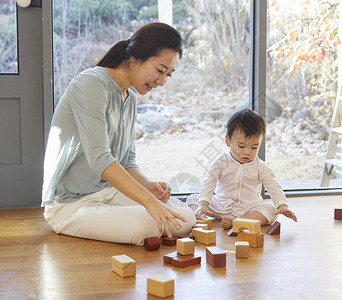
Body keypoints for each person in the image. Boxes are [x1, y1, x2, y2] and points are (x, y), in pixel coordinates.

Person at [41, 22, 196, 246]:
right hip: (71, 205)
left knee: (185, 218)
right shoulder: (91, 84)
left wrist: (148, 185)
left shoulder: (129, 96)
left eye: (168, 75)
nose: (161, 81)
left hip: (108, 194)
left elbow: (127, 160)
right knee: (150, 224)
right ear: (135, 57)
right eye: (160, 70)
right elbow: (101, 159)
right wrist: (149, 203)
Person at [187, 108, 298, 229]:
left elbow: (273, 186)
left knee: (271, 211)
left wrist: (282, 205)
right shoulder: (220, 163)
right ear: (228, 140)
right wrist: (203, 204)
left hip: (249, 209)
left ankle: (238, 221)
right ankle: (202, 220)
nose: (247, 152)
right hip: (221, 206)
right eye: (241, 146)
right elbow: (209, 183)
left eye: (254, 148)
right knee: (193, 198)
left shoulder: (261, 167)